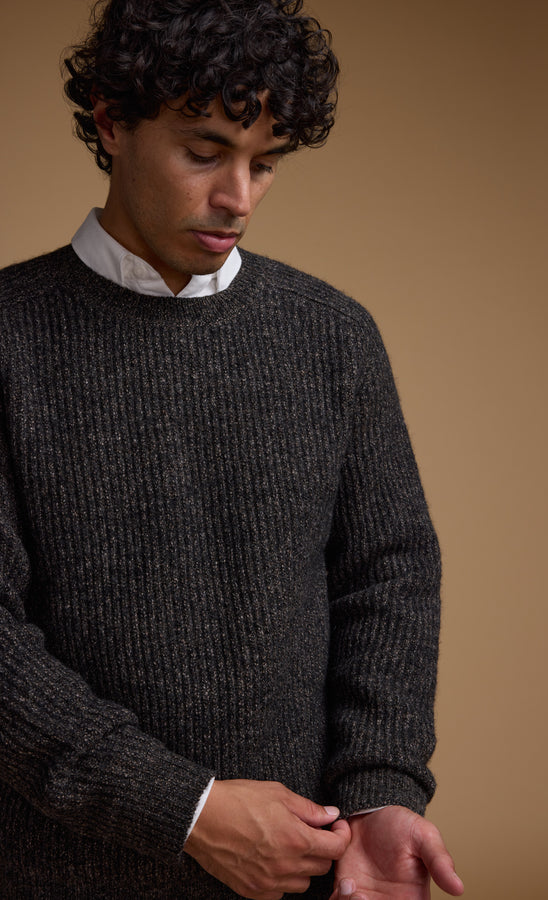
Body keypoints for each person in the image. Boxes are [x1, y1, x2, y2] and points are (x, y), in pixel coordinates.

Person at [0, 1, 464, 898]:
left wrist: (380, 791)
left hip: (306, 876)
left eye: (266, 163)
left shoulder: (333, 335)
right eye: (205, 152)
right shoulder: (9, 337)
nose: (237, 198)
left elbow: (391, 574)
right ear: (111, 120)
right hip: (53, 874)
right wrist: (184, 808)